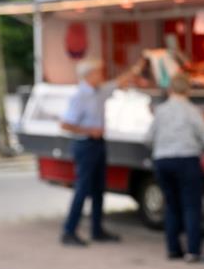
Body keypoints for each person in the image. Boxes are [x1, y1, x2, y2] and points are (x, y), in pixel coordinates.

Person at [60, 58, 143, 246]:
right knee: (82, 189)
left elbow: (120, 81)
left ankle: (97, 229)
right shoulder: (80, 96)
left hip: (98, 145)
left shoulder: (100, 91)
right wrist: (90, 130)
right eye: (98, 73)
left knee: (99, 189)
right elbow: (65, 124)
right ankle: (69, 231)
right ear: (88, 75)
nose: (101, 76)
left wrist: (138, 66)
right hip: (85, 145)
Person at [146, 73, 204, 263]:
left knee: (171, 205)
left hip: (163, 161)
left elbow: (148, 138)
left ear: (170, 90)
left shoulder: (161, 111)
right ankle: (193, 251)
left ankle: (173, 249)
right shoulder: (192, 111)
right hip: (186, 160)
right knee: (192, 206)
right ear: (188, 90)